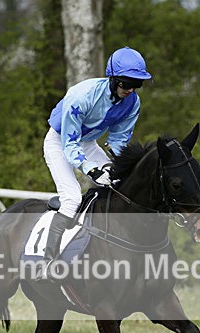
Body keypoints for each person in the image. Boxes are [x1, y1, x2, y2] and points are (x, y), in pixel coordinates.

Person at [41, 46, 152, 271]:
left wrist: (122, 167)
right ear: (112, 78)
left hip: (88, 143)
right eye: (125, 83)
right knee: (72, 198)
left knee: (120, 184)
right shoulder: (81, 96)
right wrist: (91, 169)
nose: (130, 89)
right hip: (60, 142)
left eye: (136, 84)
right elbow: (70, 145)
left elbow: (119, 141)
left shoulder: (133, 103)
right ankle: (48, 261)